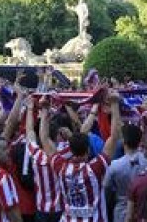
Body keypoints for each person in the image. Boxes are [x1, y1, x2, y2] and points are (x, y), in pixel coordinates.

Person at [47, 89, 123, 222]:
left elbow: (44, 139)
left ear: (69, 148)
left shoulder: (60, 166)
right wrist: (115, 104)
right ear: (88, 150)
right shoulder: (96, 168)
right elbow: (114, 136)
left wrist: (42, 112)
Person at [104, 124, 147, 222]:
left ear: (123, 141)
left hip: (121, 212)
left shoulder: (115, 165)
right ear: (140, 141)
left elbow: (106, 190)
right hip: (143, 212)